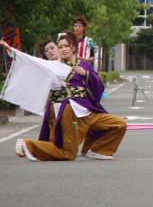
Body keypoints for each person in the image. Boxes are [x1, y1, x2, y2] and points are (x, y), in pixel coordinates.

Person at [2, 33, 126, 161]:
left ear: (73, 48)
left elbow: (99, 85)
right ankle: (27, 144)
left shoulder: (84, 65)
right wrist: (12, 51)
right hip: (68, 111)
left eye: (66, 46)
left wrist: (85, 74)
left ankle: (97, 150)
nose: (63, 49)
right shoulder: (54, 66)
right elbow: (32, 61)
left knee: (119, 124)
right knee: (67, 153)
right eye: (60, 47)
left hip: (88, 110)